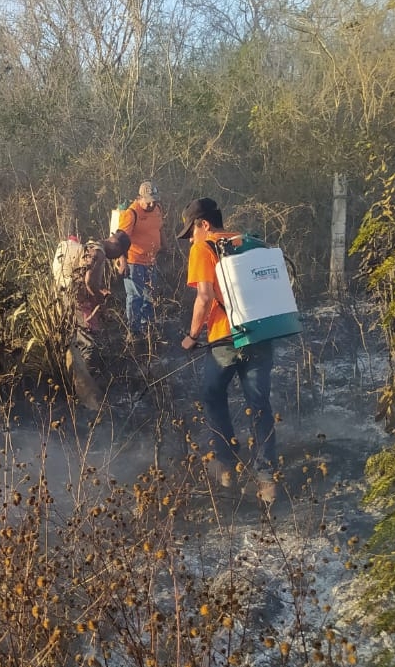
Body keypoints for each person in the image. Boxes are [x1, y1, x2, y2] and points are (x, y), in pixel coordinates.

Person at [178, 198, 277, 500]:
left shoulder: (203, 248)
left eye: (191, 232)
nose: (190, 239)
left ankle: (225, 467)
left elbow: (204, 298)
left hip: (225, 339)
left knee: (212, 395)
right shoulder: (247, 243)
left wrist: (192, 335)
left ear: (204, 225)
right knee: (260, 405)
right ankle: (267, 480)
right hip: (261, 334)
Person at [62, 229, 131, 410]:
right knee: (88, 344)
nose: (116, 258)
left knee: (79, 341)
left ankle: (81, 391)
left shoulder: (92, 243)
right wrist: (100, 300)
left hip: (75, 299)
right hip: (82, 302)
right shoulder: (99, 251)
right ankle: (87, 398)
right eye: (119, 254)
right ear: (116, 245)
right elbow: (89, 281)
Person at [116, 180, 164, 337]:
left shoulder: (157, 209)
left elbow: (159, 229)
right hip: (134, 261)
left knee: (150, 295)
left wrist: (165, 246)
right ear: (140, 198)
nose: (151, 205)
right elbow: (120, 239)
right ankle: (134, 331)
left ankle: (147, 328)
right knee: (135, 296)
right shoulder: (131, 213)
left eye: (154, 201)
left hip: (151, 261)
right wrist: (122, 260)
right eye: (148, 202)